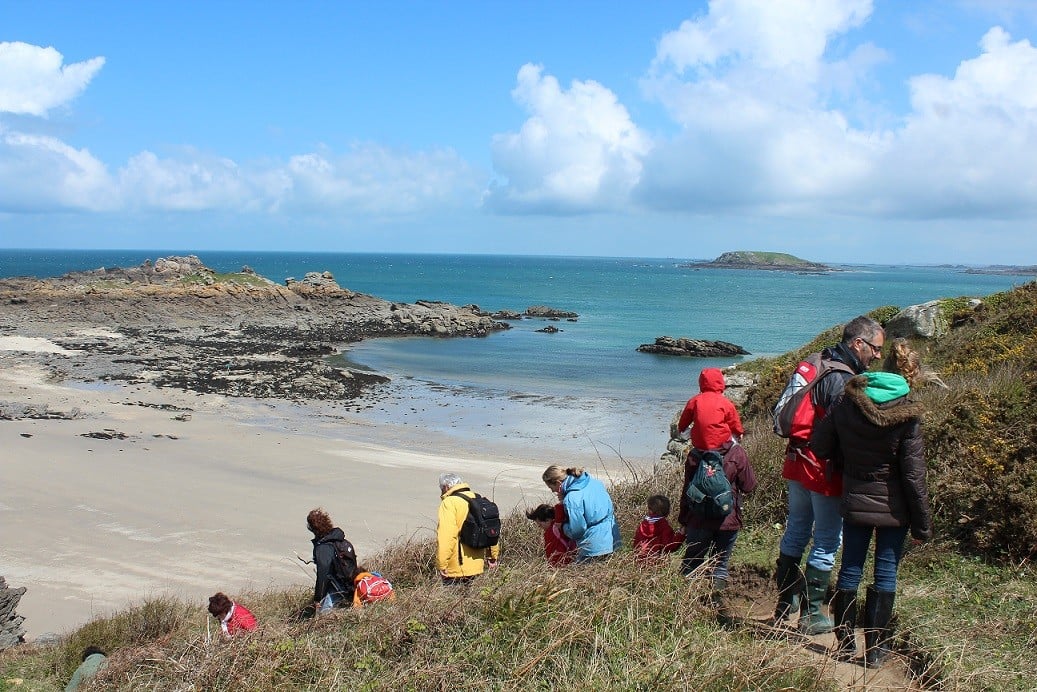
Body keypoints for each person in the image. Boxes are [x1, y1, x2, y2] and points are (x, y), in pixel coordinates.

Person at [811, 338, 935, 666]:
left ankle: (846, 643)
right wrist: (923, 524)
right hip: (895, 509)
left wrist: (846, 457)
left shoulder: (849, 402)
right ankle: (876, 652)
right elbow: (913, 476)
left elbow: (819, 445)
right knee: (885, 574)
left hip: (855, 499)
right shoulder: (908, 414)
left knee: (850, 567)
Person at [773, 315, 886, 634]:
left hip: (796, 460)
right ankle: (811, 615)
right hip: (822, 468)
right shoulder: (842, 379)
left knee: (796, 528)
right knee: (826, 539)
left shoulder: (816, 361)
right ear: (858, 344)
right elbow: (848, 433)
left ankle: (785, 605)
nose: (877, 356)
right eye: (875, 349)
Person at [677, 439, 757, 589]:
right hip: (728, 519)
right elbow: (749, 486)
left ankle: (687, 606)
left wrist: (683, 520)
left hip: (698, 520)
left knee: (691, 565)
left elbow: (687, 491)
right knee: (719, 566)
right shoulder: (736, 452)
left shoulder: (694, 454)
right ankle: (716, 604)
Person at [542, 465, 621, 563]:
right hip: (612, 538)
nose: (553, 491)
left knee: (583, 575)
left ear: (558, 483)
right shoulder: (594, 482)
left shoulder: (572, 498)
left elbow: (577, 530)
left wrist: (562, 527)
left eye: (551, 487)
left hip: (593, 546)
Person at [436, 473, 500, 584]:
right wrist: (492, 556)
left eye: (441, 489)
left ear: (446, 487)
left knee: (452, 600)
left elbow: (447, 536)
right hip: (478, 566)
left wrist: (442, 564)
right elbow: (490, 529)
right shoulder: (478, 498)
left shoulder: (449, 503)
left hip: (456, 568)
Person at [677, 367, 745, 450]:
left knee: (689, 432)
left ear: (701, 382)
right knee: (737, 447)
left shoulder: (694, 400)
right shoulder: (725, 402)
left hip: (699, 443)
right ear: (721, 382)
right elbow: (734, 422)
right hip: (721, 443)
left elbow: (683, 422)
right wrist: (739, 433)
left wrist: (682, 429)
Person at [307, 507, 357, 614]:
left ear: (312, 528)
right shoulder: (341, 540)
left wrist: (318, 598)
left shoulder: (323, 548)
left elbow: (323, 575)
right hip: (351, 586)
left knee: (322, 617)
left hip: (337, 589)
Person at [632, 495, 685, 563]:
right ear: (667, 512)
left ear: (650, 510)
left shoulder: (642, 525)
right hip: (657, 563)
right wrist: (680, 535)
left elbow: (636, 545)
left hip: (639, 562)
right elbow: (669, 546)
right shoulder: (664, 527)